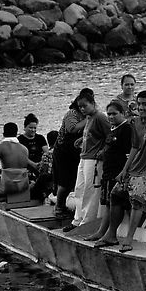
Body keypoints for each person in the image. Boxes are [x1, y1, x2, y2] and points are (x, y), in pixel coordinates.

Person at [105, 90, 146, 253]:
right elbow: (134, 147)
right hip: (135, 168)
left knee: (137, 200)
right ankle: (111, 234)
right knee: (115, 194)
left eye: (144, 104)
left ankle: (129, 238)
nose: (141, 107)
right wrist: (125, 170)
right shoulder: (135, 122)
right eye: (139, 104)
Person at [63, 91, 113, 232]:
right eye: (80, 107)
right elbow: (92, 134)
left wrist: (103, 150)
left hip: (93, 159)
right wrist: (82, 140)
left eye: (85, 106)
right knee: (79, 189)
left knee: (89, 191)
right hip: (84, 156)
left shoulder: (100, 117)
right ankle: (77, 219)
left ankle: (87, 221)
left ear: (92, 104)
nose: (82, 109)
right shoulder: (89, 118)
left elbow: (110, 135)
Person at [83, 101, 132, 243]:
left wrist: (124, 172)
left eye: (114, 114)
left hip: (118, 172)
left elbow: (129, 153)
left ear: (123, 113)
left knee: (116, 202)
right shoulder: (113, 129)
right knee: (108, 203)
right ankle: (101, 232)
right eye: (109, 114)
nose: (110, 116)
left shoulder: (126, 129)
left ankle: (111, 234)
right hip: (108, 171)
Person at [52, 89, 90, 219]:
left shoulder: (87, 114)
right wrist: (89, 119)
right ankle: (59, 207)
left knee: (75, 180)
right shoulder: (72, 114)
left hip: (76, 150)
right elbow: (72, 129)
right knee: (65, 181)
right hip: (63, 151)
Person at [30, 130, 58, 202]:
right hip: (62, 179)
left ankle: (37, 196)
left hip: (52, 179)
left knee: (40, 179)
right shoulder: (64, 152)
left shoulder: (47, 154)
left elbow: (44, 171)